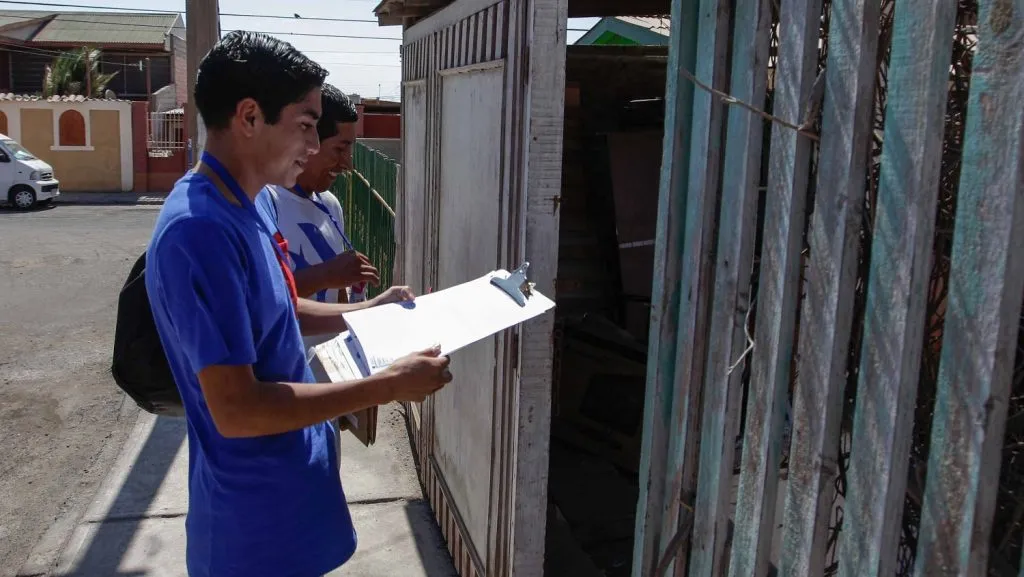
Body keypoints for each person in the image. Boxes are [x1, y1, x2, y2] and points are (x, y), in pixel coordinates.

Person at [144, 31, 452, 577]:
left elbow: (280, 308)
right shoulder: (200, 232)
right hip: (254, 532)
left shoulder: (254, 201)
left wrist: (373, 309)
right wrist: (390, 385)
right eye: (307, 126)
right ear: (248, 116)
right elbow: (237, 411)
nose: (314, 147)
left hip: (293, 495)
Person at [259, 83, 374, 310]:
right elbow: (261, 300)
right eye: (340, 150)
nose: (348, 164)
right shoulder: (263, 204)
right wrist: (326, 275)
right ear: (309, 141)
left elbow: (338, 293)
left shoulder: (331, 205)